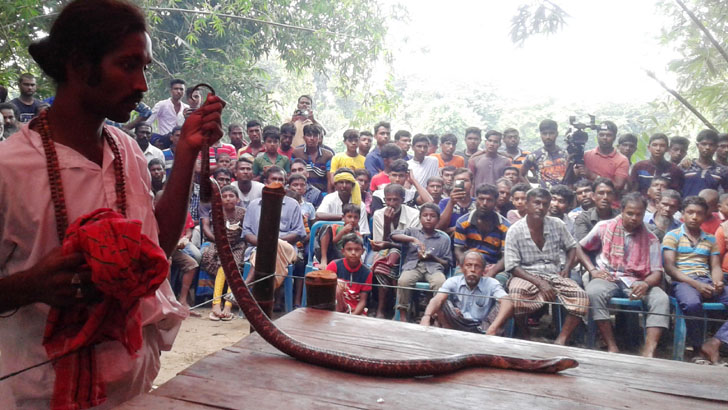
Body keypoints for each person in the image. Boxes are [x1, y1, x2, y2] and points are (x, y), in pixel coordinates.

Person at [0, 0, 225, 406]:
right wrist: (27, 286)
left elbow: (156, 250)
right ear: (78, 64)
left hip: (129, 387)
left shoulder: (128, 151)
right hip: (34, 393)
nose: (141, 84)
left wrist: (188, 152)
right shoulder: (9, 168)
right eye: (128, 65)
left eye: (145, 68)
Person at [578, 193, 669, 357]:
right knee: (594, 292)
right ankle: (612, 345)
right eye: (630, 213)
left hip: (637, 280)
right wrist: (592, 270)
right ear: (621, 211)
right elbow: (580, 248)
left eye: (639, 214)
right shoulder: (604, 227)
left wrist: (645, 284)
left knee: (661, 298)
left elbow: (657, 272)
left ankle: (648, 351)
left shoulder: (651, 238)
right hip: (608, 276)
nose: (634, 218)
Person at [505, 188, 587, 345]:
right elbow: (513, 266)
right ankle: (525, 335)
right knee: (516, 294)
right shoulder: (514, 230)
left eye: (545, 204)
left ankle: (561, 339)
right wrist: (540, 283)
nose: (541, 207)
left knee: (581, 298)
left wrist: (567, 268)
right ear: (527, 205)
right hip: (526, 274)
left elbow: (571, 247)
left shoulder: (557, 224)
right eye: (536, 203)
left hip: (554, 273)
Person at [663, 196, 728, 365]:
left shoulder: (710, 239)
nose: (694, 217)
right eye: (690, 212)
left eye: (699, 213)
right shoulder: (673, 236)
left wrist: (717, 282)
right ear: (683, 214)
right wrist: (697, 285)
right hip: (683, 281)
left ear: (705, 215)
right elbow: (670, 268)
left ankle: (715, 342)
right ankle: (698, 349)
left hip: (706, 280)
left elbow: (715, 266)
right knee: (692, 304)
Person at [421, 251, 513, 335]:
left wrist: (493, 327)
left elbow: (507, 302)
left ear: (483, 270)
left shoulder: (491, 283)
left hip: (483, 325)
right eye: (468, 265)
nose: (472, 269)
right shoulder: (453, 281)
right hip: (458, 323)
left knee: (503, 305)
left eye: (477, 266)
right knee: (441, 301)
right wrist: (426, 316)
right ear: (461, 268)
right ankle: (448, 332)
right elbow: (437, 299)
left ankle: (492, 334)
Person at [242, 166, 305, 290]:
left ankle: (246, 284)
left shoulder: (293, 204)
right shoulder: (254, 205)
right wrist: (265, 244)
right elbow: (247, 232)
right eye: (273, 179)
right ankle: (271, 294)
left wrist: (272, 243)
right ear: (266, 182)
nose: (277, 182)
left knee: (268, 250)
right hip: (257, 247)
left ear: (285, 183)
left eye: (280, 179)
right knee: (264, 252)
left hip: (286, 249)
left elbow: (298, 232)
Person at [390, 203, 452, 321]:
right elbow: (393, 235)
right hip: (413, 266)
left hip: (434, 268)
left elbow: (447, 263)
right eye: (425, 215)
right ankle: (402, 314)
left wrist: (432, 257)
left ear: (438, 220)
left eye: (432, 216)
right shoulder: (412, 232)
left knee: (441, 284)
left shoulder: (443, 239)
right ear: (420, 218)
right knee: (404, 281)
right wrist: (412, 239)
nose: (428, 218)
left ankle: (435, 315)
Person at [201, 185, 246, 321]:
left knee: (234, 265)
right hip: (219, 244)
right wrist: (220, 241)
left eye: (231, 196)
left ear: (237, 199)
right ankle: (216, 304)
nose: (228, 199)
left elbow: (246, 232)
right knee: (220, 263)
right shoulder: (216, 212)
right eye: (224, 196)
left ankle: (228, 305)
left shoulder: (243, 212)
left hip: (238, 245)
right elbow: (210, 229)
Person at [453, 184, 510, 285]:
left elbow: (506, 256)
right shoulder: (463, 222)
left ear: (495, 202)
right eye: (481, 199)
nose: (484, 203)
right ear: (475, 200)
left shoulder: (505, 226)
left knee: (498, 282)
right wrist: (468, 266)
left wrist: (492, 272)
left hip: (494, 265)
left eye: (489, 200)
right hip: (469, 262)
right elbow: (458, 250)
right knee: (458, 281)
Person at [326, 234, 372, 315]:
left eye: (357, 250)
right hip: (334, 308)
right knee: (336, 288)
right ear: (343, 251)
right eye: (349, 249)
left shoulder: (367, 273)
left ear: (363, 251)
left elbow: (363, 301)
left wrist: (351, 317)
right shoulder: (334, 265)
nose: (353, 253)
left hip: (355, 311)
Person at [316, 168, 371, 235]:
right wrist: (343, 217)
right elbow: (318, 215)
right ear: (335, 185)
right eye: (341, 182)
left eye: (348, 182)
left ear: (353, 185)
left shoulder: (360, 204)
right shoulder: (329, 198)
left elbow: (363, 231)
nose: (344, 186)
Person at [581, 121, 630, 192]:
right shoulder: (586, 155)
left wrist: (593, 176)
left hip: (610, 201)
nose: (605, 138)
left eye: (609, 135)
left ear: (614, 137)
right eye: (601, 135)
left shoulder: (622, 160)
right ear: (597, 136)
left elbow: (618, 186)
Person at [520, 119, 567, 188]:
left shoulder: (566, 154)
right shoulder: (534, 156)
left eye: (551, 133)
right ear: (541, 135)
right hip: (544, 196)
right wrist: (530, 189)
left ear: (557, 134)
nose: (548, 137)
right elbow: (521, 174)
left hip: (564, 195)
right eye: (544, 134)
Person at [681, 130, 728, 197]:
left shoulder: (723, 171)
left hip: (711, 207)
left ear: (716, 147)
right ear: (697, 145)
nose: (707, 147)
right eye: (704, 144)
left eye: (711, 145)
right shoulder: (686, 166)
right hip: (687, 206)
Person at [318, 203, 362, 268]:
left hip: (344, 256)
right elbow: (334, 241)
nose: (352, 220)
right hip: (331, 252)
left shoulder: (357, 235)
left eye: (355, 217)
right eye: (349, 217)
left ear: (359, 219)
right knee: (326, 227)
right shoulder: (336, 227)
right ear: (343, 217)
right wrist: (342, 232)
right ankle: (323, 259)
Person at [292, 123, 332, 193]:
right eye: (309, 135)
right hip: (301, 192)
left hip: (321, 193)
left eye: (315, 136)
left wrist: (328, 197)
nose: (312, 138)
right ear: (304, 137)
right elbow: (292, 175)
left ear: (319, 138)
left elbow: (329, 179)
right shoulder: (296, 153)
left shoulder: (327, 155)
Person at [437, 168, 476, 234]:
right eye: (458, 181)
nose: (462, 184)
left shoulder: (477, 203)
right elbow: (439, 229)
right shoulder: (444, 202)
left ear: (472, 183)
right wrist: (451, 203)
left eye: (465, 180)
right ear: (453, 184)